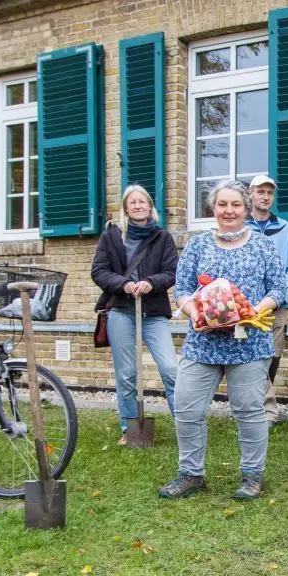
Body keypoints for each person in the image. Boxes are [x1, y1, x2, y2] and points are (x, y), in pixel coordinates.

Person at [159, 180, 284, 501]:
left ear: (245, 208)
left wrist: (255, 309)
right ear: (212, 209)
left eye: (235, 205)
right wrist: (195, 312)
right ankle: (190, 474)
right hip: (202, 343)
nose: (229, 211)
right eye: (222, 204)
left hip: (249, 343)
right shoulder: (198, 246)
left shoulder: (262, 246)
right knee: (186, 408)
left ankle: (252, 476)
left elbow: (278, 290)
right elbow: (182, 290)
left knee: (248, 410)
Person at [91, 184, 180, 443]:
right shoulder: (112, 236)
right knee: (127, 373)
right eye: (133, 202)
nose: (138, 206)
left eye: (143, 201)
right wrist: (122, 283)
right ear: (126, 208)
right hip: (121, 311)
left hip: (153, 313)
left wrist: (151, 282)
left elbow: (172, 272)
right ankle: (128, 428)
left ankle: (184, 424)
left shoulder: (162, 237)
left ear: (150, 207)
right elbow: (99, 270)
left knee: (171, 369)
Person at [246, 174, 288, 423]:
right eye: (260, 191)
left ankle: (258, 401)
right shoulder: (241, 228)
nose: (265, 196)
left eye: (269, 192)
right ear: (250, 193)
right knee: (252, 355)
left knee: (272, 355)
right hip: (246, 306)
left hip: (276, 305)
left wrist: (282, 296)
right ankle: (266, 410)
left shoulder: (285, 229)